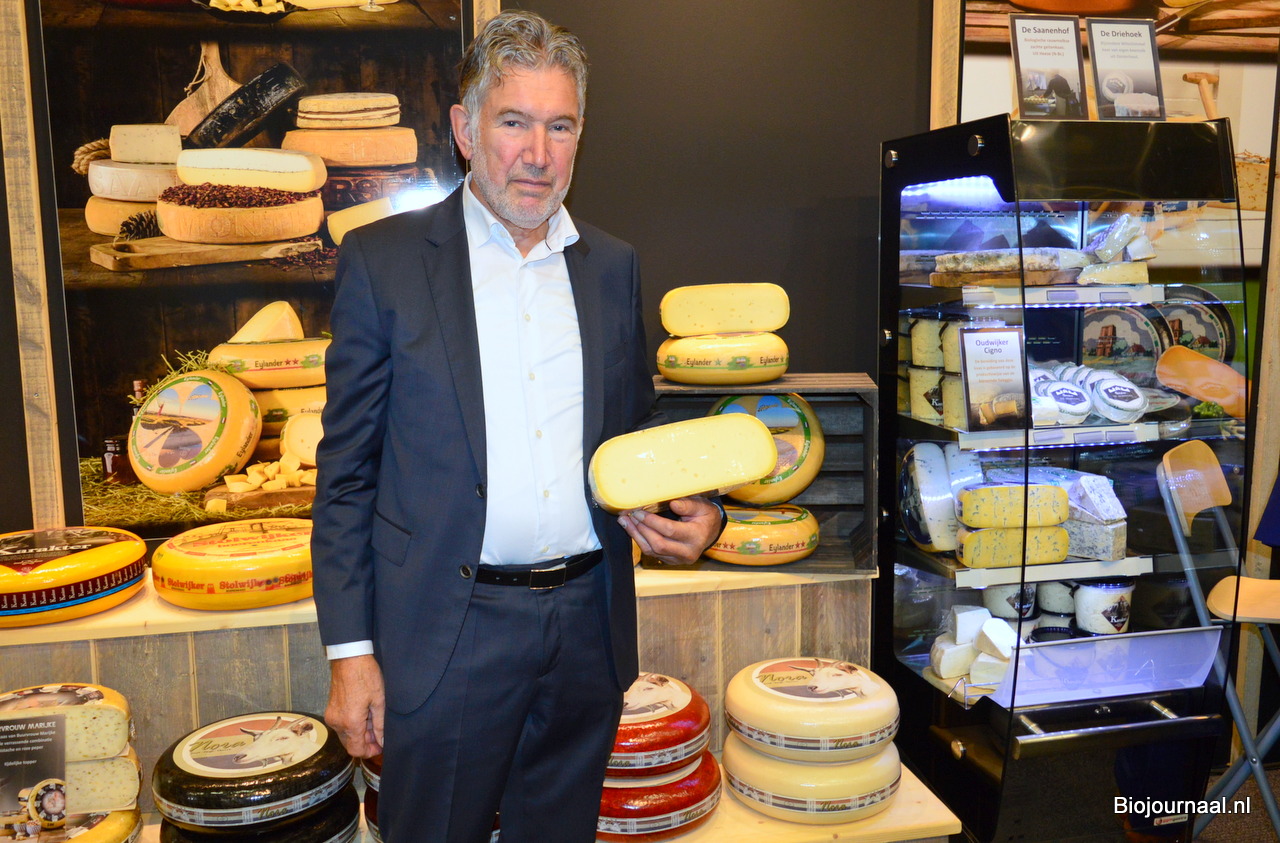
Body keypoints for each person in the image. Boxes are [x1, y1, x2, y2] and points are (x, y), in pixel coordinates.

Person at [310, 11, 724, 843]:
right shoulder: (385, 263)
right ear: (466, 131)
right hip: (448, 629)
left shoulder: (612, 265)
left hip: (586, 629)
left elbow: (635, 433)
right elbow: (347, 474)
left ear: (580, 137)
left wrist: (704, 511)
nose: (537, 153)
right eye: (514, 122)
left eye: (559, 126)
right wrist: (351, 653)